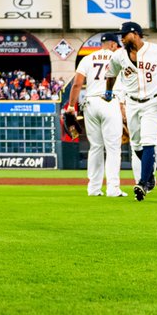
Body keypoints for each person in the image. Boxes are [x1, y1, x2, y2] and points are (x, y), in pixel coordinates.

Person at [109, 21, 157, 201]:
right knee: (136, 145)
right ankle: (150, 174)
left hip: (153, 103)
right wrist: (108, 92)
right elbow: (111, 74)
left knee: (148, 141)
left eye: (124, 35)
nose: (121, 38)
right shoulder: (118, 55)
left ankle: (143, 183)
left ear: (135, 34)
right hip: (132, 103)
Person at [66, 33, 126, 197]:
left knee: (95, 147)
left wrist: (71, 106)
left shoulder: (88, 58)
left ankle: (93, 188)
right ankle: (113, 189)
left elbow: (77, 84)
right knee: (113, 148)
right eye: (117, 45)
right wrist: (122, 106)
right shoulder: (119, 58)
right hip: (110, 101)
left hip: (91, 103)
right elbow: (124, 83)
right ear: (113, 45)